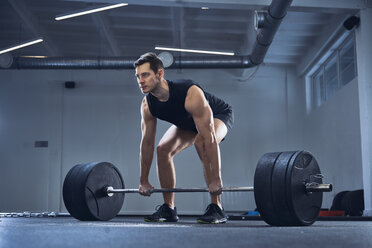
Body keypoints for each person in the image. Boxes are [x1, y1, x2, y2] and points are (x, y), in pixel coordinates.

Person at [134, 52, 233, 224]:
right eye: (137, 76)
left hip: (218, 115)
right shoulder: (148, 105)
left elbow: (208, 137)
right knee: (162, 149)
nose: (140, 80)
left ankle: (217, 207)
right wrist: (143, 180)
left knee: (201, 141)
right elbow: (147, 144)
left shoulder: (189, 92)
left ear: (159, 74)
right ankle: (169, 208)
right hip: (188, 123)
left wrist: (216, 180)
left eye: (145, 75)